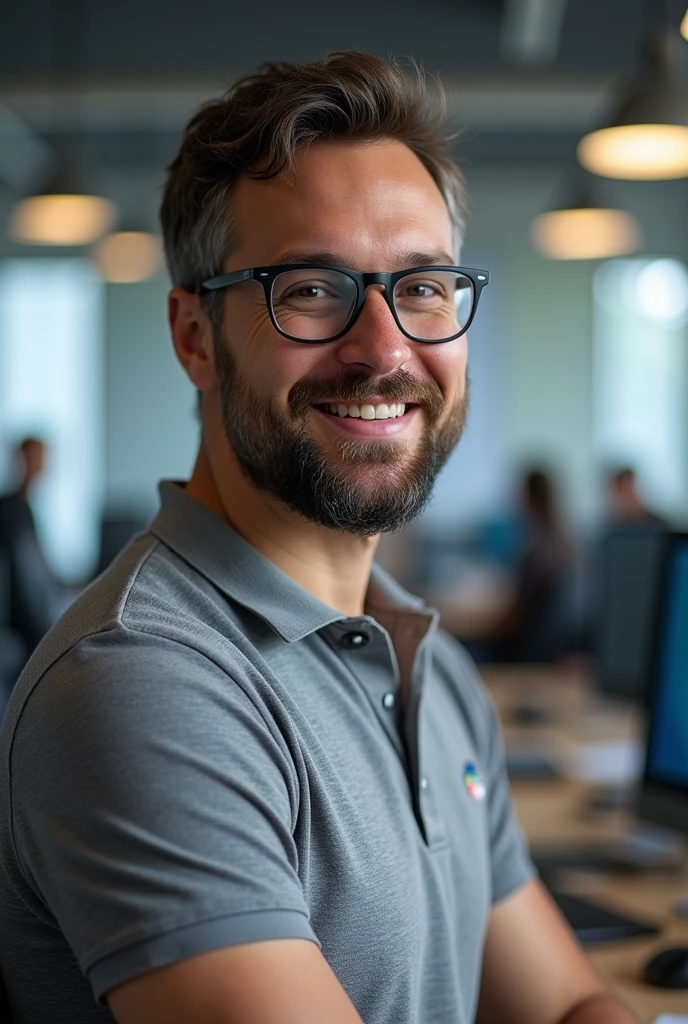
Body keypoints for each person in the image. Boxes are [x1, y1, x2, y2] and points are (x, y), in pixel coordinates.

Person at [0, 52, 637, 1024]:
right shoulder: (145, 683)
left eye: (421, 287)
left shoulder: (431, 666)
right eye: (310, 288)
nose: (384, 349)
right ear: (195, 337)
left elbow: (562, 1003)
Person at [499, 467, 578, 663]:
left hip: (526, 655)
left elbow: (514, 619)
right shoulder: (567, 544)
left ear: (530, 498)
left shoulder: (536, 554)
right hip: (556, 650)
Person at [0, 437, 58, 664]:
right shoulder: (11, 510)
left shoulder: (25, 507)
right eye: (37, 456)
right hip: (19, 616)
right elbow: (24, 571)